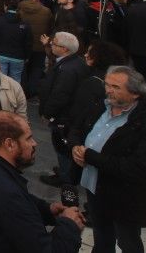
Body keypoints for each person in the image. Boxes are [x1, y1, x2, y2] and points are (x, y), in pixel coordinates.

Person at [71, 66, 146, 253]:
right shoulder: (103, 104)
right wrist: (75, 146)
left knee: (128, 241)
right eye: (107, 85)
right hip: (95, 188)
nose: (108, 90)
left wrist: (90, 156)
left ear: (135, 93)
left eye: (116, 87)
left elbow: (141, 168)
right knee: (101, 236)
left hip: (124, 199)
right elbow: (78, 126)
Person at [0, 111, 84, 252]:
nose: (34, 143)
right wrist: (69, 225)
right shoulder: (7, 193)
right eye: (28, 138)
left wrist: (47, 210)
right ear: (9, 144)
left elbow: (17, 204)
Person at [38, 32, 89, 188]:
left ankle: (65, 178)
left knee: (62, 146)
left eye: (54, 43)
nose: (51, 44)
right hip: (70, 115)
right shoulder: (75, 62)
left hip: (63, 117)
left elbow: (60, 95)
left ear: (65, 49)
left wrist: (47, 113)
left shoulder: (67, 69)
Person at [0, 0, 31, 84]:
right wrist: (27, 56)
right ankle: (13, 97)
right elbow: (28, 42)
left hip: (0, 55)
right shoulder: (25, 23)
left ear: (5, 6)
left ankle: (1, 97)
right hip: (18, 57)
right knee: (15, 81)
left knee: (0, 80)